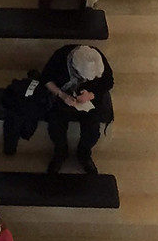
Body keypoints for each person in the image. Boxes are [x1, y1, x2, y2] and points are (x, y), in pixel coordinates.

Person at [39, 42, 112, 174]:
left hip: (88, 101)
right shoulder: (61, 57)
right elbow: (45, 78)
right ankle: (61, 152)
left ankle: (84, 154)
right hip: (62, 96)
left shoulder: (97, 58)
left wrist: (90, 95)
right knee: (56, 125)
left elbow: (108, 82)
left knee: (92, 130)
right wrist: (62, 95)